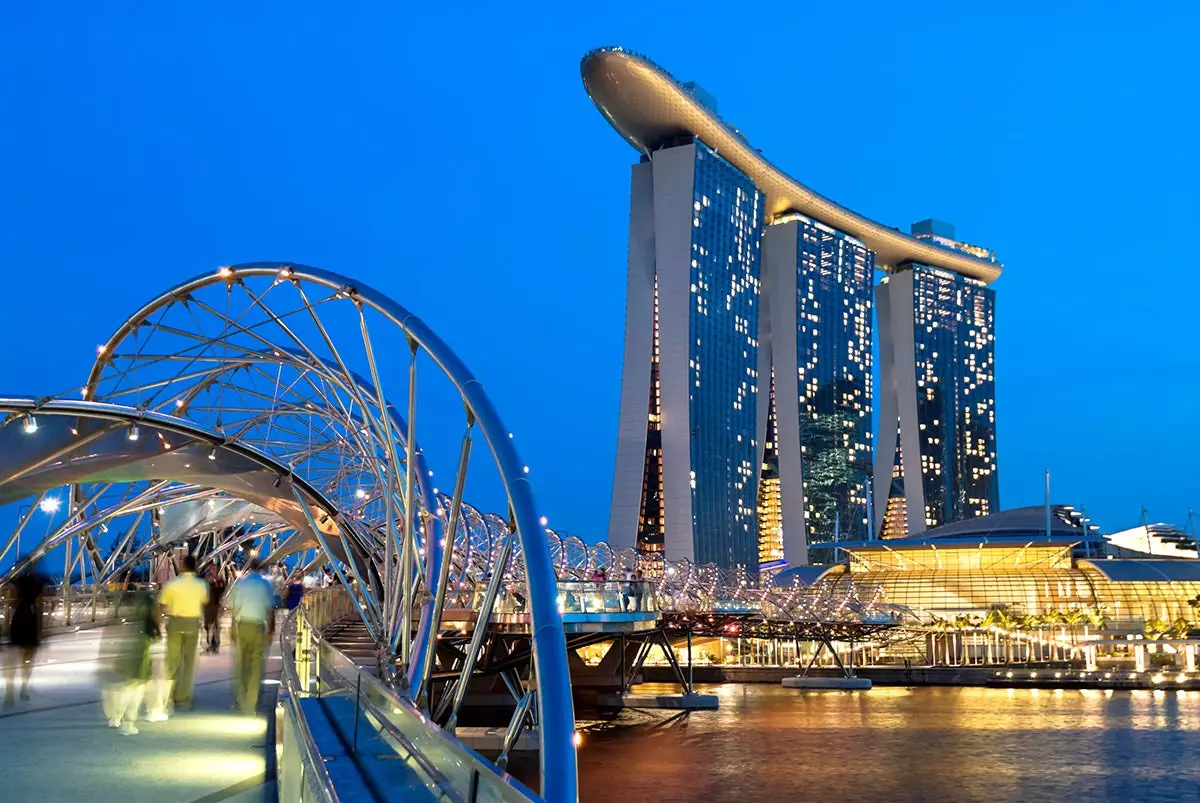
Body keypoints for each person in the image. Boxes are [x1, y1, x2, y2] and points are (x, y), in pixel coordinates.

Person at [101, 590, 159, 735]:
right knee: (136, 689)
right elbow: (156, 636)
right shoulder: (148, 620)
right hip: (140, 656)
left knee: (127, 687)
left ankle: (116, 718)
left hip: (126, 653)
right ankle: (128, 723)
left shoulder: (127, 616)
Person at [158, 554, 208, 712]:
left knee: (172, 661)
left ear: (183, 566)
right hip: (192, 624)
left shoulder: (172, 584)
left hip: (175, 622)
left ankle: (167, 695)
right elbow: (204, 601)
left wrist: (157, 623)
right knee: (188, 662)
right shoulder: (202, 585)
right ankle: (182, 696)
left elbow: (162, 605)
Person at [228, 559, 274, 715]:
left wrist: (231, 629)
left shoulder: (241, 583)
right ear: (261, 568)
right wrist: (271, 631)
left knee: (241, 663)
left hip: (243, 625)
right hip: (258, 626)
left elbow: (235, 608)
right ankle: (252, 701)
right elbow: (270, 609)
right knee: (256, 665)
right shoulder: (265, 584)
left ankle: (240, 701)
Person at [4, 563, 47, 705]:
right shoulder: (38, 583)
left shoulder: (18, 582)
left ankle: (9, 694)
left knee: (12, 660)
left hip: (18, 619)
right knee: (27, 660)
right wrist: (40, 630)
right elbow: (39, 606)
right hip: (30, 619)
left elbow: (13, 602)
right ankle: (23, 689)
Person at [203, 566, 226, 654]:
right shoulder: (207, 581)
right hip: (208, 606)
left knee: (215, 626)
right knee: (207, 626)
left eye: (214, 569)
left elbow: (222, 589)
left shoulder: (218, 580)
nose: (213, 571)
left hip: (215, 606)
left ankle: (215, 644)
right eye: (212, 569)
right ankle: (208, 644)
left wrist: (217, 581)